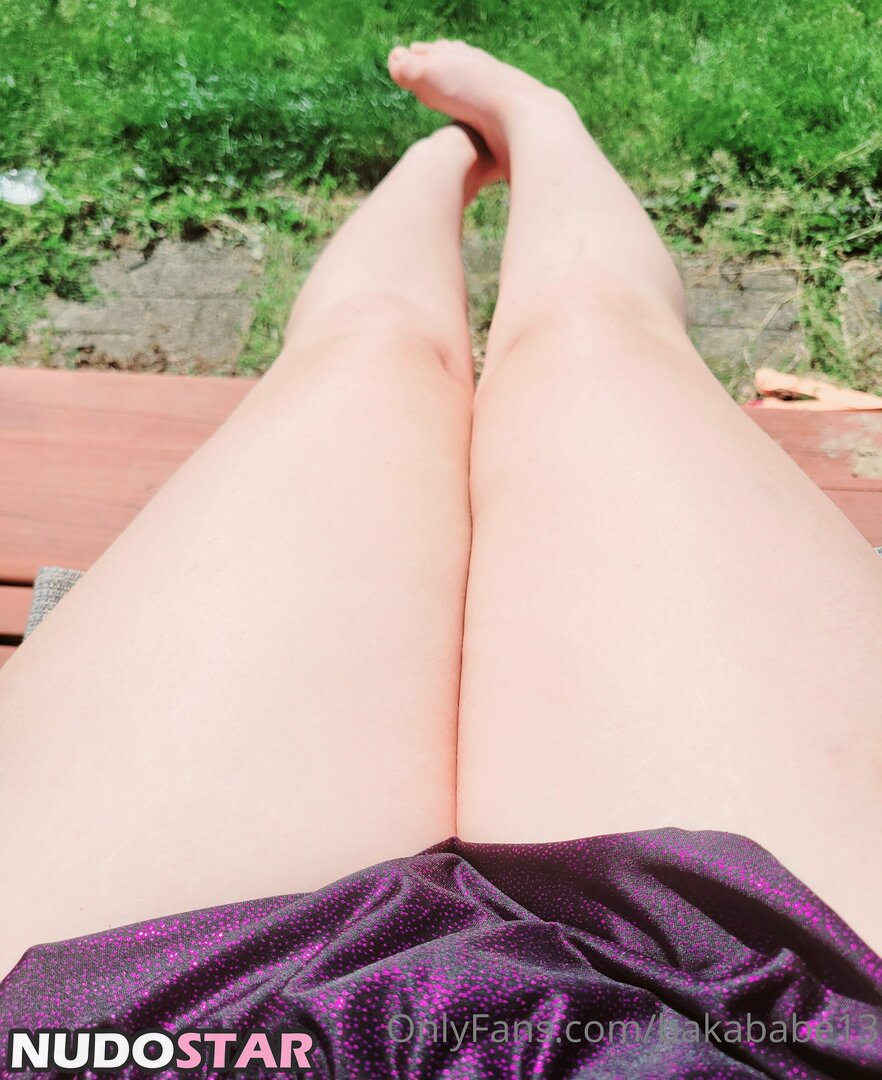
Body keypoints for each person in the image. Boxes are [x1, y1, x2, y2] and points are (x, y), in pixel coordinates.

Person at [1, 41, 879, 1077]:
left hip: (143, 1021)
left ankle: (456, 153)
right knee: (590, 331)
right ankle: (518, 129)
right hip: (768, 1015)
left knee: (370, 346)